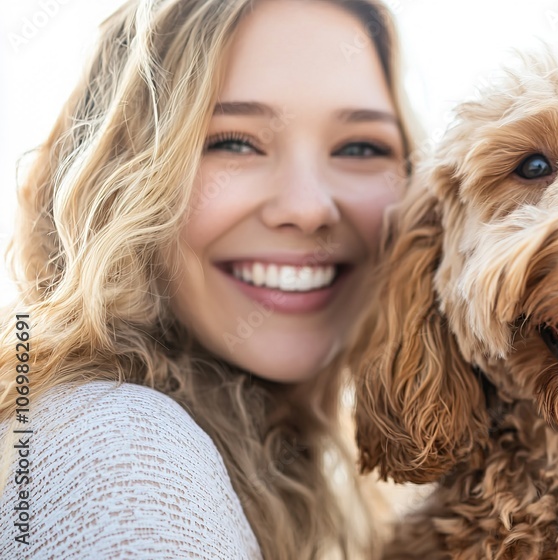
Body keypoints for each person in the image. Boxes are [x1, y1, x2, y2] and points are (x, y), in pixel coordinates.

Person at [0, 0, 415, 557]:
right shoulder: (125, 448)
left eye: (361, 147)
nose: (309, 207)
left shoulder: (330, 472)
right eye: (234, 142)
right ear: (124, 176)